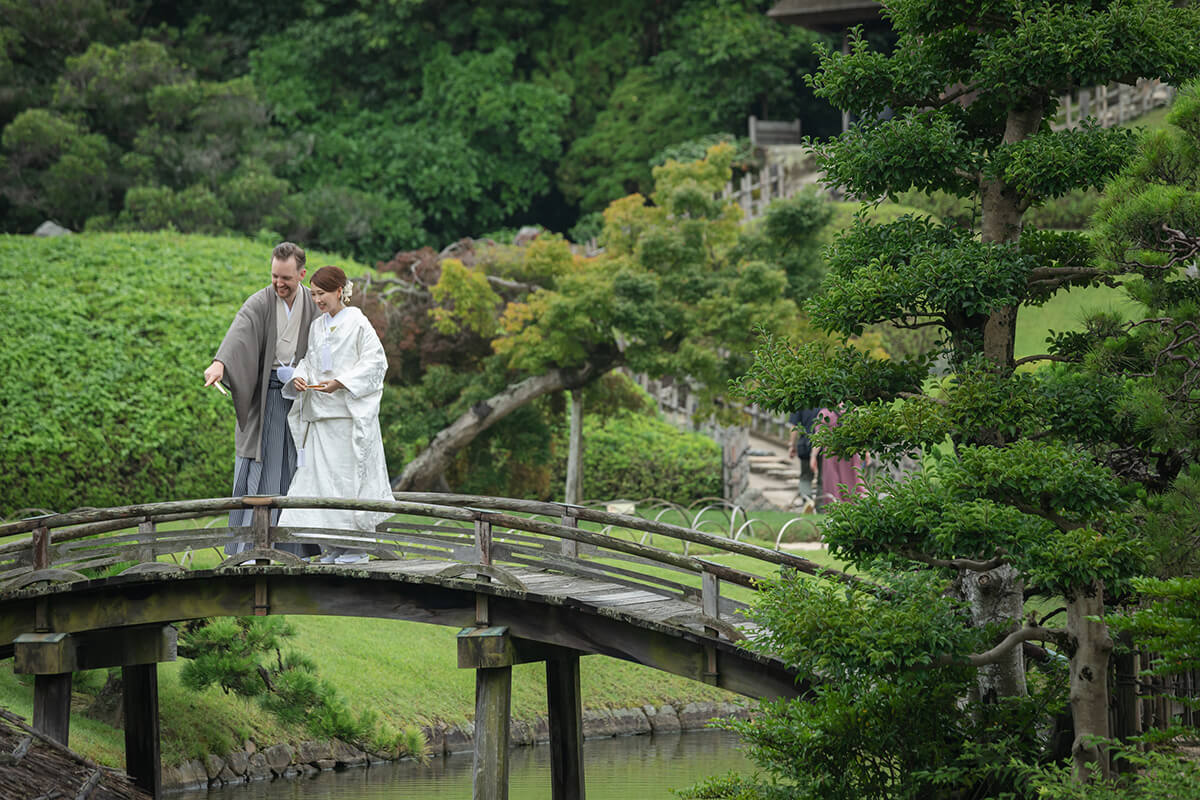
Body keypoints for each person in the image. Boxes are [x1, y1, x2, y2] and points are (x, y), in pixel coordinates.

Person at [204, 242, 320, 556]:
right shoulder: (260, 302)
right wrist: (220, 364)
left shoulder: (314, 302)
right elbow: (238, 335)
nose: (279, 284)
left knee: (300, 470)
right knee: (258, 470)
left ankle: (298, 548)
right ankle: (249, 547)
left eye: (287, 278)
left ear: (302, 274)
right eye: (274, 277)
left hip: (300, 400)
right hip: (266, 400)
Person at [278, 266, 393, 562]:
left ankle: (355, 547)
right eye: (314, 294)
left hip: (346, 418)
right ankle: (334, 546)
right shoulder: (317, 326)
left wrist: (341, 382)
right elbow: (309, 361)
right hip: (321, 418)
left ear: (339, 291)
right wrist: (300, 378)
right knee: (320, 483)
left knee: (346, 482)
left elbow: (376, 363)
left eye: (322, 294)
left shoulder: (357, 322)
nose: (317, 300)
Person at [809, 406, 869, 510]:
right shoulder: (851, 410)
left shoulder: (824, 413)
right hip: (850, 453)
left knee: (833, 483)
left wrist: (813, 456)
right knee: (854, 481)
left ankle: (836, 510)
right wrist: (865, 452)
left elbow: (819, 437)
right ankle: (859, 508)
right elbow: (861, 434)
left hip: (831, 454)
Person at [786, 408, 821, 504]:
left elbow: (794, 426)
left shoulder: (800, 402)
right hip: (824, 446)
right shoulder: (826, 400)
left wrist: (791, 445)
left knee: (805, 477)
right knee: (822, 478)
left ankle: (807, 502)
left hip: (806, 445)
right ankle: (821, 507)